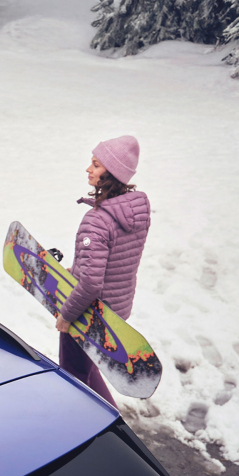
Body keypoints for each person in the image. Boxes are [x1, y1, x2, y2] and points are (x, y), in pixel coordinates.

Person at [55, 135, 151, 408]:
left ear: (112, 173)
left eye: (95, 165)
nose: (88, 169)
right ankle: (111, 422)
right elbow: (117, 258)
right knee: (88, 368)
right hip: (116, 309)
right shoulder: (136, 211)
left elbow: (91, 284)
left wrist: (67, 315)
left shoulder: (97, 221)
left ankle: (95, 430)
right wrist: (80, 266)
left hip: (90, 314)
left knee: (73, 374)